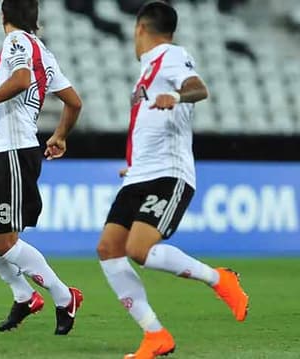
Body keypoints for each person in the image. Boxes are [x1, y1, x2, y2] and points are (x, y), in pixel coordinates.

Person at [94, 2, 249, 358]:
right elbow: (146, 126)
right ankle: (155, 335)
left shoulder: (171, 56)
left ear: (140, 29)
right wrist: (132, 166)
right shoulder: (147, 70)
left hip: (168, 174)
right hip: (138, 174)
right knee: (108, 249)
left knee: (139, 250)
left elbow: (198, 88)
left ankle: (219, 279)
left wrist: (177, 96)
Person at [0, 0, 84, 335]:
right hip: (2, 150)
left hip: (14, 151)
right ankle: (24, 295)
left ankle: (63, 296)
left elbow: (23, 79)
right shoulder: (40, 49)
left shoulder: (16, 43)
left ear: (2, 15)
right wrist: (59, 136)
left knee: (4, 242)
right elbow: (74, 101)